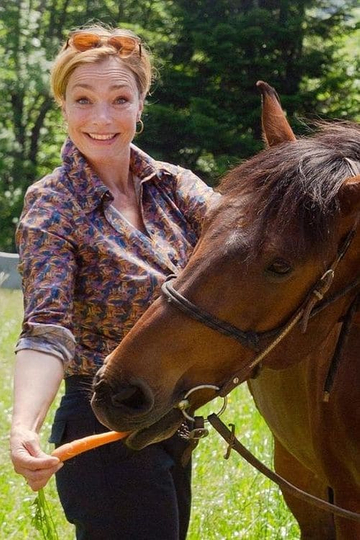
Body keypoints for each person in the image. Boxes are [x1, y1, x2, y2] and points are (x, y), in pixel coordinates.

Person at [10, 24, 218, 540]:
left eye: (120, 98)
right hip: (102, 422)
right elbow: (47, 326)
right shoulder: (54, 205)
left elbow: (248, 248)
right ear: (62, 104)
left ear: (141, 103)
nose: (102, 118)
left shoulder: (175, 186)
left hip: (173, 419)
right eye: (83, 99)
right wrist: (22, 427)